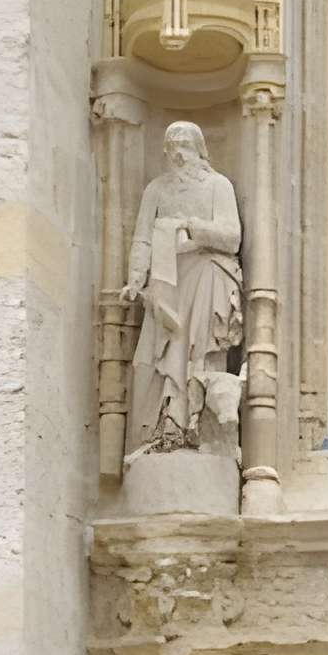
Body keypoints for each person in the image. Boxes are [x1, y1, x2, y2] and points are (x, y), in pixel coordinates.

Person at [122, 121, 244, 455]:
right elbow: (142, 238)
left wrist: (190, 227)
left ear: (199, 150)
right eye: (172, 147)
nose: (178, 154)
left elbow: (232, 238)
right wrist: (135, 280)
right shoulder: (156, 190)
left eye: (185, 146)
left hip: (206, 275)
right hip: (166, 281)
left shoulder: (218, 186)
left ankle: (199, 428)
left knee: (199, 352)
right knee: (156, 356)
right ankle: (162, 428)